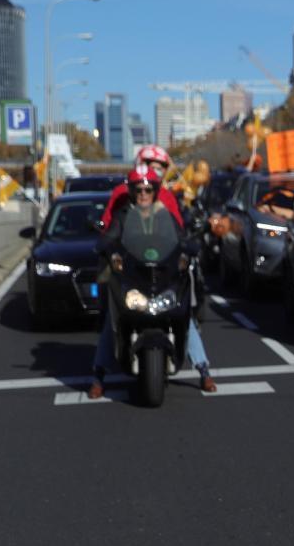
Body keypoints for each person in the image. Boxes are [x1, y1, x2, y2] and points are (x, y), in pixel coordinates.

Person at [89, 166, 217, 398]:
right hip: (134, 277)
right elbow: (110, 236)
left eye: (148, 190)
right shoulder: (124, 215)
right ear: (132, 192)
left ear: (155, 191)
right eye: (139, 190)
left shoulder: (164, 214)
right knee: (112, 318)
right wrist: (104, 245)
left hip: (163, 276)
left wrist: (190, 246)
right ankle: (98, 376)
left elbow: (180, 238)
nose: (143, 194)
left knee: (184, 315)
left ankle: (204, 370)